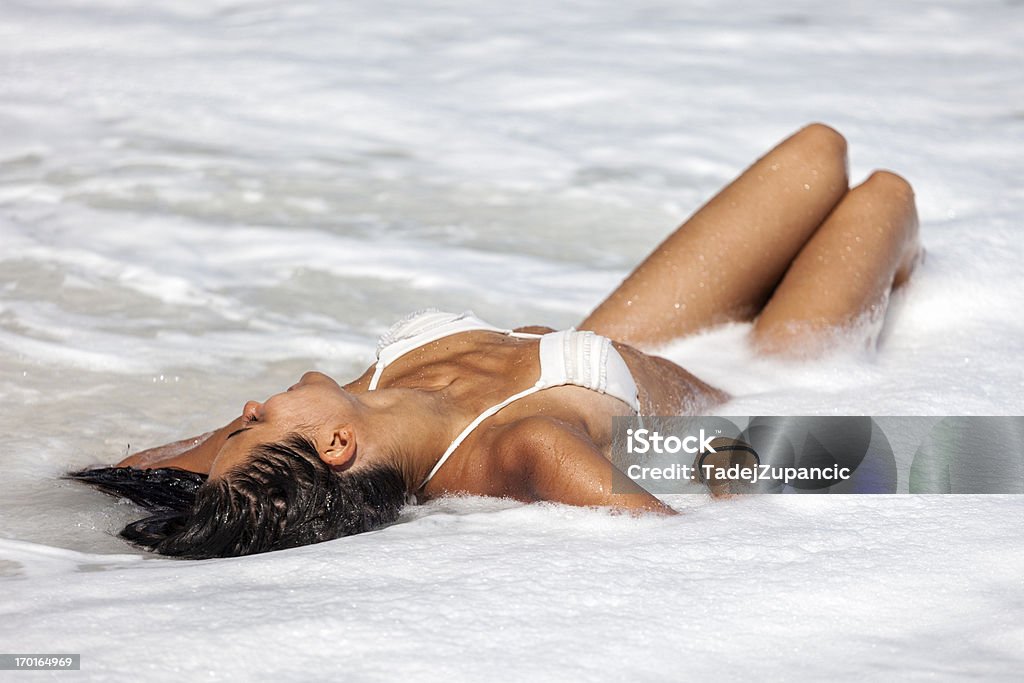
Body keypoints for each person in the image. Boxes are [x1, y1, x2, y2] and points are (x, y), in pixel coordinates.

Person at [69, 123, 921, 558]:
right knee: (882, 195)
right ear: (335, 444)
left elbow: (145, 472)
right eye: (254, 422)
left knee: (820, 151)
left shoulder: (293, 445)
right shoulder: (529, 447)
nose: (245, 410)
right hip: (758, 374)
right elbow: (697, 552)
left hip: (616, 339)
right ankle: (897, 270)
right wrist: (756, 461)